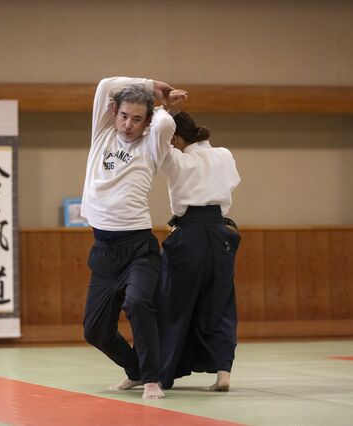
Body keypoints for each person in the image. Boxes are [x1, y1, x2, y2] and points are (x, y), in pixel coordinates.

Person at [81, 76, 186, 400]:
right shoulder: (102, 133)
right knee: (95, 331)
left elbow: (165, 122)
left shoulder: (151, 144)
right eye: (124, 115)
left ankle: (153, 379)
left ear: (147, 122)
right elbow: (104, 85)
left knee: (138, 303)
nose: (128, 124)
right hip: (104, 250)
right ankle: (137, 371)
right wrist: (152, 83)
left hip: (138, 248)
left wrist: (163, 103)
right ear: (114, 113)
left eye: (137, 119)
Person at [157, 111, 241, 391]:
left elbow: (158, 135)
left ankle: (163, 374)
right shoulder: (224, 154)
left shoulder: (175, 157)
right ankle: (223, 374)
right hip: (221, 234)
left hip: (188, 234)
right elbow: (231, 183)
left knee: (173, 304)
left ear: (177, 138)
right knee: (220, 302)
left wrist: (162, 108)